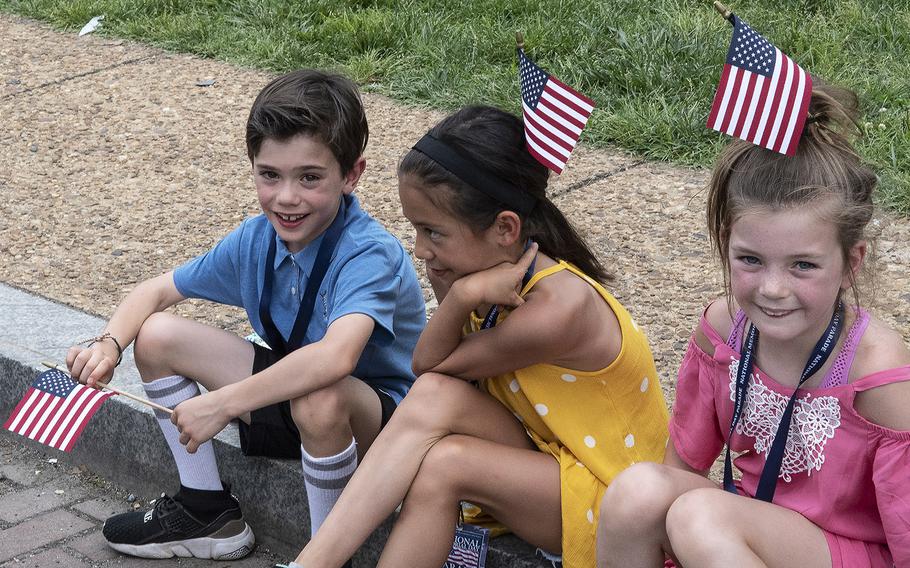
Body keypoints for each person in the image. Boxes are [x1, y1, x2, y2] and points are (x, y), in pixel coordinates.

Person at [278, 105, 670, 568]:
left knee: (446, 459)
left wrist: (461, 296)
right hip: (550, 460)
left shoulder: (559, 309)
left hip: (611, 499)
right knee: (435, 408)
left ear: (506, 228)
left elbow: (428, 364)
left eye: (433, 232)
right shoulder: (490, 271)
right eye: (416, 230)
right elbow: (430, 376)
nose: (420, 250)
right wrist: (461, 294)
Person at [65, 69, 426, 561]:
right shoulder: (257, 239)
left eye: (310, 178)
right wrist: (107, 345)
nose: (286, 197)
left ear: (352, 174)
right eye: (269, 175)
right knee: (154, 336)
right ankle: (205, 511)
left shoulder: (369, 253)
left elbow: (336, 359)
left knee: (320, 394)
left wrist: (223, 404)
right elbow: (154, 291)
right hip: (293, 397)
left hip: (383, 429)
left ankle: (323, 555)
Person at [596, 83, 910, 568]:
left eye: (803, 265)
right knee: (637, 490)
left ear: (851, 263)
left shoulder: (881, 379)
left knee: (700, 518)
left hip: (847, 553)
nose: (772, 289)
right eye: (750, 259)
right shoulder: (725, 330)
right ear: (726, 243)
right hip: (744, 536)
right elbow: (682, 464)